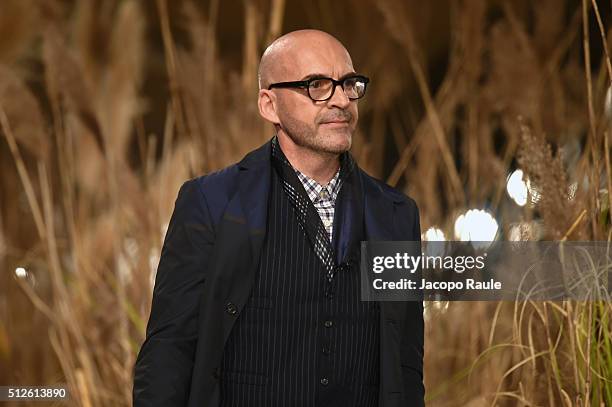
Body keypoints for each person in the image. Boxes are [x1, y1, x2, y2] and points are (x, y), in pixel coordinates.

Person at [133, 29, 424, 407]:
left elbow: (406, 363)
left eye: (349, 84)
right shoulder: (210, 202)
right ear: (269, 105)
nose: (341, 100)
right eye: (317, 84)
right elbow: (169, 351)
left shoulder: (397, 215)